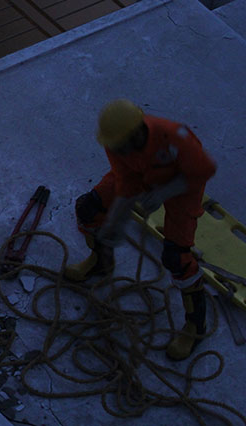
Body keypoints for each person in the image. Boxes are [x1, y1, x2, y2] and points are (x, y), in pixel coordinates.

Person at [64, 99, 217, 360]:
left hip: (182, 185)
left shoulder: (175, 136)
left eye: (120, 145)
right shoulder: (116, 144)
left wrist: (164, 193)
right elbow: (126, 183)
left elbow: (203, 170)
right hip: (143, 176)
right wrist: (115, 222)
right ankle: (101, 262)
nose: (116, 150)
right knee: (90, 208)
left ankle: (195, 327)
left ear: (137, 133)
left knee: (177, 258)